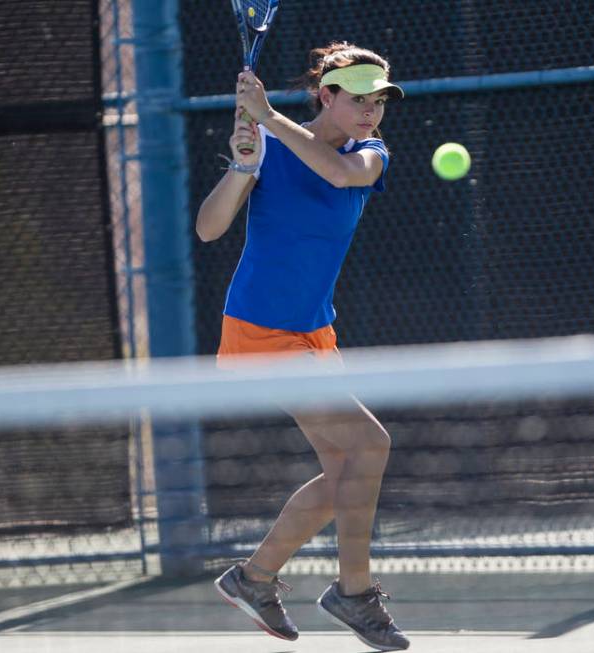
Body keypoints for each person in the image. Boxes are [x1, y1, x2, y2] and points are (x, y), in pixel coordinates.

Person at [198, 42, 410, 652]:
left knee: (349, 467)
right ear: (328, 95)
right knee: (371, 443)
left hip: (315, 333)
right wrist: (241, 166)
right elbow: (209, 230)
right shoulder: (267, 146)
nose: (371, 110)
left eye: (380, 101)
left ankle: (254, 578)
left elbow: (339, 174)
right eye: (359, 98)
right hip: (260, 333)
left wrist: (267, 118)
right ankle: (354, 593)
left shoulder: (370, 154)